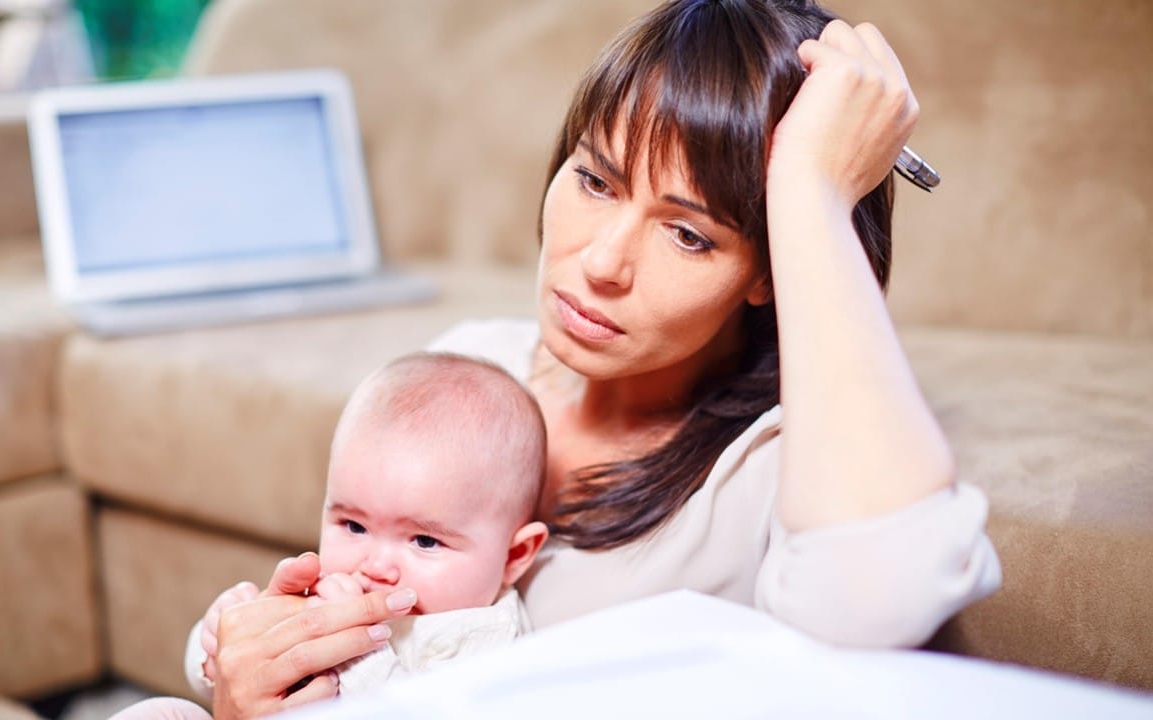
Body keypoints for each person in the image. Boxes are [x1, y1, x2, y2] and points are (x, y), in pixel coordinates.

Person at [200, 1, 1003, 717]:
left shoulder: (770, 471)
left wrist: (811, 191)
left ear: (767, 266)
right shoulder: (473, 366)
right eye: (594, 179)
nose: (602, 262)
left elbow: (878, 595)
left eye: (688, 233)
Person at [112, 352, 549, 719]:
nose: (375, 567)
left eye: (424, 541)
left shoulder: (487, 639)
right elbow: (231, 686)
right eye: (354, 526)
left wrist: (360, 656)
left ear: (515, 555)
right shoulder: (325, 595)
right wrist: (217, 646)